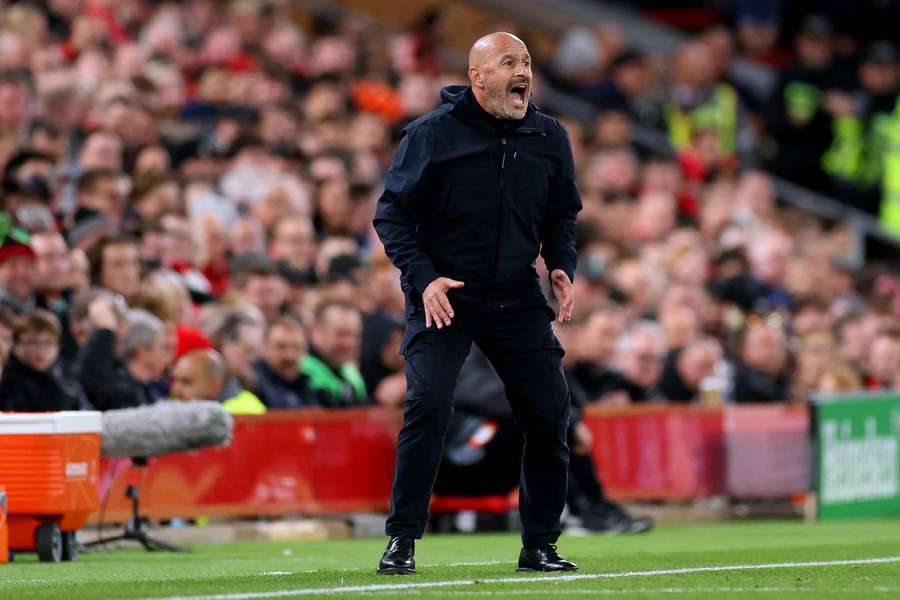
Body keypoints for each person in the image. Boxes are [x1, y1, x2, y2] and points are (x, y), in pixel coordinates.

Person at [373, 32, 581, 574]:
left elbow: (562, 213)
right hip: (446, 292)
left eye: (528, 62)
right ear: (477, 76)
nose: (523, 72)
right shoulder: (431, 135)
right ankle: (402, 540)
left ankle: (540, 545)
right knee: (428, 405)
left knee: (549, 413)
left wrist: (561, 264)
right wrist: (423, 279)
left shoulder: (548, 135)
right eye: (509, 62)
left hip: (515, 292)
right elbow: (392, 215)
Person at [0, 308, 87, 412]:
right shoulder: (9, 382)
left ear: (58, 346)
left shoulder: (66, 378)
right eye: (32, 342)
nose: (40, 350)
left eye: (47, 343)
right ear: (16, 345)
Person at [301, 298, 369, 408]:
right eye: (341, 334)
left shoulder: (351, 374)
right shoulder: (301, 373)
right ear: (315, 332)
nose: (349, 343)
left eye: (355, 335)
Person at [170, 348, 266, 414]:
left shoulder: (245, 411)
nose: (175, 389)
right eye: (174, 380)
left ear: (213, 386)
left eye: (186, 382)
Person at [254, 316, 317, 409]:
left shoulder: (311, 388)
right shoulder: (253, 386)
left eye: (297, 348)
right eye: (281, 347)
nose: (289, 355)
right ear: (264, 347)